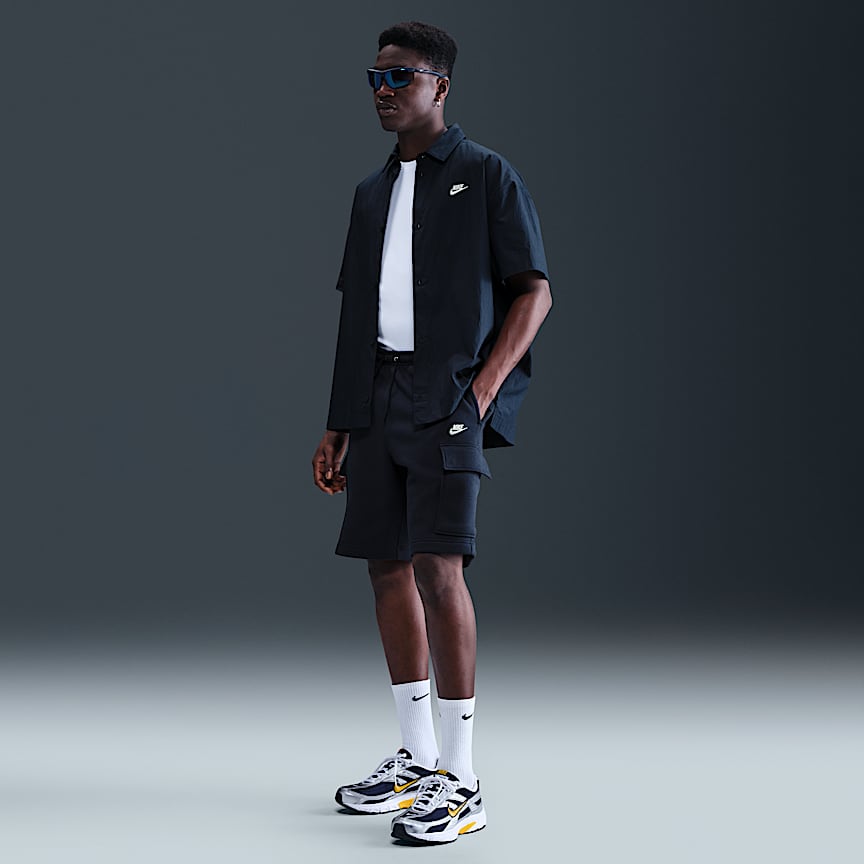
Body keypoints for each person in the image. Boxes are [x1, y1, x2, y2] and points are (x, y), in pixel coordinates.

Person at [311, 21, 551, 846]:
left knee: (439, 569)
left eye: (400, 77)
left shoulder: (486, 175)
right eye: (374, 79)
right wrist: (339, 421)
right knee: (386, 567)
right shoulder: (370, 192)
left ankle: (462, 776)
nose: (384, 92)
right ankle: (416, 758)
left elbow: (534, 290)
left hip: (447, 396)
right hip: (377, 397)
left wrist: (482, 390)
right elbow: (357, 313)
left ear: (439, 86)